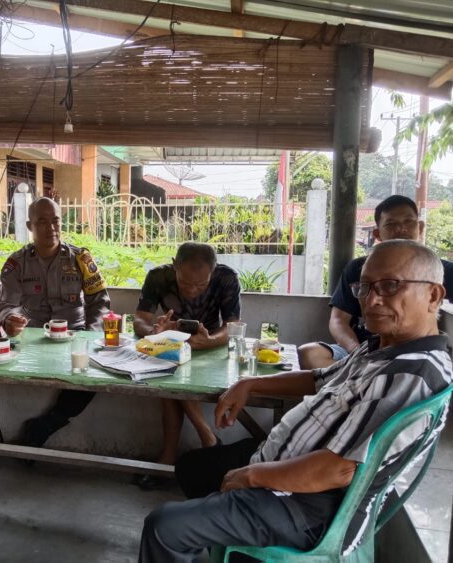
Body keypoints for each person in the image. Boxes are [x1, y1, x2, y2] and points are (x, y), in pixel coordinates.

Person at [139, 240, 451, 562]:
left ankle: (230, 529)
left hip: (310, 506)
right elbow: (319, 379)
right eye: (366, 287)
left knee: (165, 527)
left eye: (390, 286)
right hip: (288, 471)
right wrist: (251, 383)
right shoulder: (383, 348)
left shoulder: (412, 373)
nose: (371, 300)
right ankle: (232, 541)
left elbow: (337, 471)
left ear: (433, 296)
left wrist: (252, 475)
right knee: (192, 469)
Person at [0, 197, 110, 447]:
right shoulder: (17, 264)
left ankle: (45, 426)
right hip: (32, 340)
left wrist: (90, 337)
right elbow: (6, 305)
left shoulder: (81, 259)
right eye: (42, 222)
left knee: (96, 375)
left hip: (75, 336)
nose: (51, 228)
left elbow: (99, 301)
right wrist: (10, 320)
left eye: (56, 221)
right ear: (29, 226)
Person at [299, 194, 453, 369]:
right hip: (360, 348)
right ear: (377, 233)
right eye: (391, 224)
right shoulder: (360, 267)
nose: (401, 229)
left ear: (420, 227)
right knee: (310, 353)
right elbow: (338, 320)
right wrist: (357, 352)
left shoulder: (440, 270)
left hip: (410, 354)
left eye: (409, 222)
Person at [132, 242, 241, 489]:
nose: (192, 290)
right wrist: (155, 331)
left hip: (212, 347)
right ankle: (208, 441)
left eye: (201, 285)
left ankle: (169, 457)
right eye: (185, 283)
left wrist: (210, 340)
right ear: (174, 266)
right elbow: (140, 318)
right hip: (170, 345)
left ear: (213, 271)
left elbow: (233, 326)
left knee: (171, 377)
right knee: (170, 369)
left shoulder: (226, 278)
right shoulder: (158, 277)